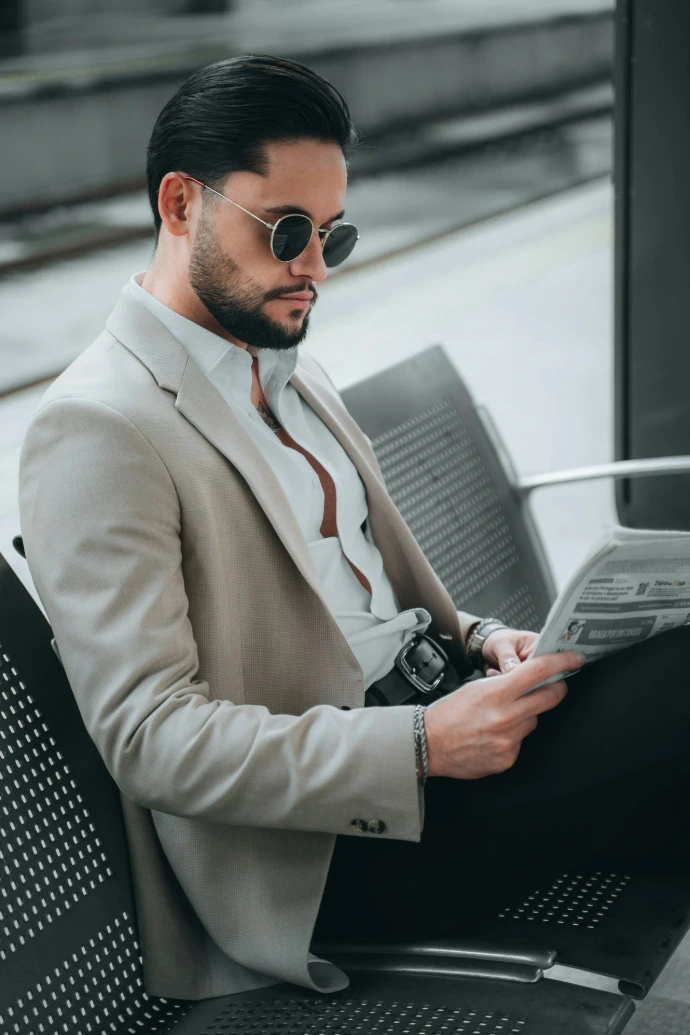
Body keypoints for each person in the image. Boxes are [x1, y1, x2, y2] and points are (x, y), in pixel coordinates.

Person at [16, 54, 690, 1004]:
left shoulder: (291, 365)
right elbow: (151, 736)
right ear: (180, 205)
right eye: (289, 230)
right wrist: (421, 747)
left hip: (449, 735)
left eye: (335, 234)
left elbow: (374, 597)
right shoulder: (99, 427)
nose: (315, 269)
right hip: (342, 852)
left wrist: (488, 642)